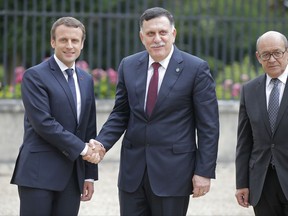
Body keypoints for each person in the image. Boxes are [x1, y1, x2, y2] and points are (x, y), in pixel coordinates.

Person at [87, 7, 219, 216]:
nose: (157, 39)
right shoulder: (128, 66)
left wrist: (203, 171)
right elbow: (120, 114)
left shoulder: (196, 69)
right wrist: (102, 143)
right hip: (133, 173)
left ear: (173, 34)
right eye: (150, 34)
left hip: (174, 173)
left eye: (162, 32)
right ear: (142, 37)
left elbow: (208, 126)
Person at [10, 17, 105, 216]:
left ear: (82, 44)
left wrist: (89, 176)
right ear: (53, 42)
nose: (69, 46)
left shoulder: (86, 79)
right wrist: (84, 149)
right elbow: (44, 123)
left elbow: (88, 127)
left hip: (72, 176)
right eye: (63, 40)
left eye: (74, 41)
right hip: (38, 174)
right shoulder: (34, 76)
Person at [235, 31, 288, 216]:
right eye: (266, 54)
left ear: (287, 53)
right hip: (262, 182)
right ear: (258, 57)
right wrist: (241, 183)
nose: (272, 59)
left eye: (277, 53)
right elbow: (244, 141)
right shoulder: (249, 90)